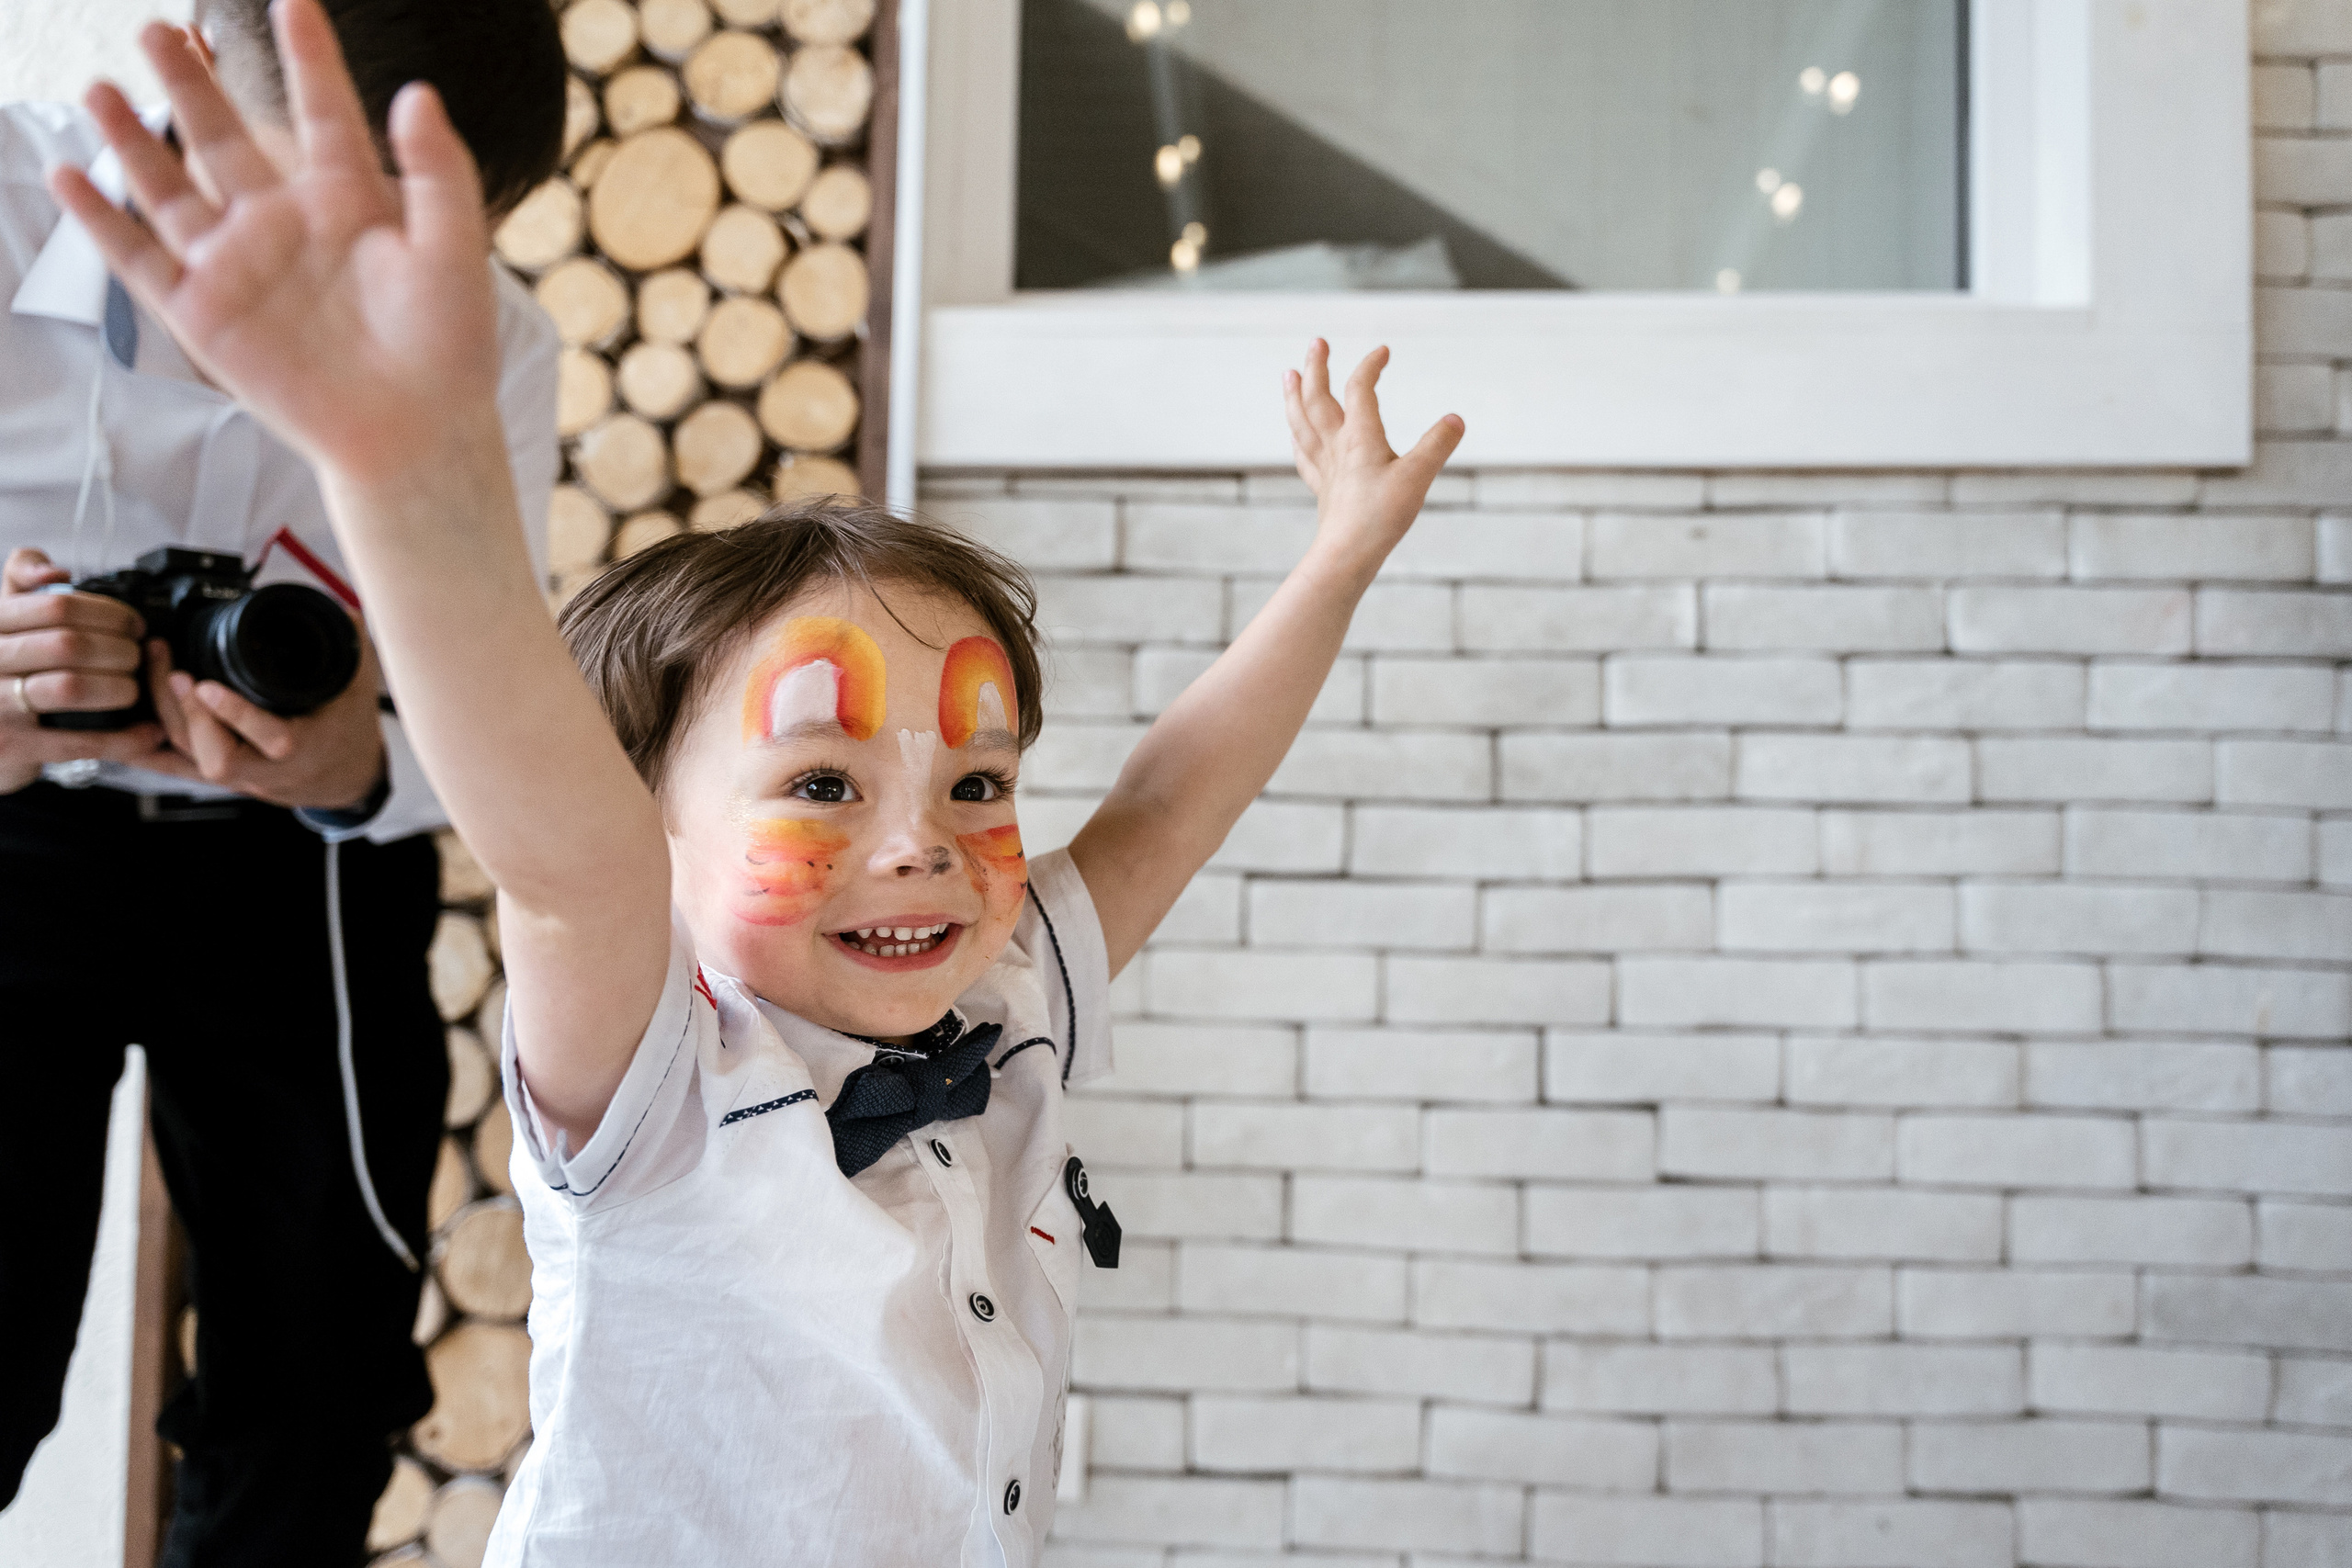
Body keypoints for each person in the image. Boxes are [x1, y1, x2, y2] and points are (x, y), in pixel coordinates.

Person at [54, 3, 1467, 1562]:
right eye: (822, 785)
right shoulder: (658, 1072)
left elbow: (1168, 802)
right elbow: (553, 846)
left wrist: (1338, 558)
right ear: (650, 819)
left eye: (980, 781)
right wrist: (396, 473)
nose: (921, 844)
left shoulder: (1011, 993)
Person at [0, 1, 563, 1561]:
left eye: (399, 242)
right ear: (192, 54)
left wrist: (360, 758)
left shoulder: (498, 342)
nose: (330, 285)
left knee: (317, 1384)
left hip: (302, 851)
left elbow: (495, 732)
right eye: (301, 207)